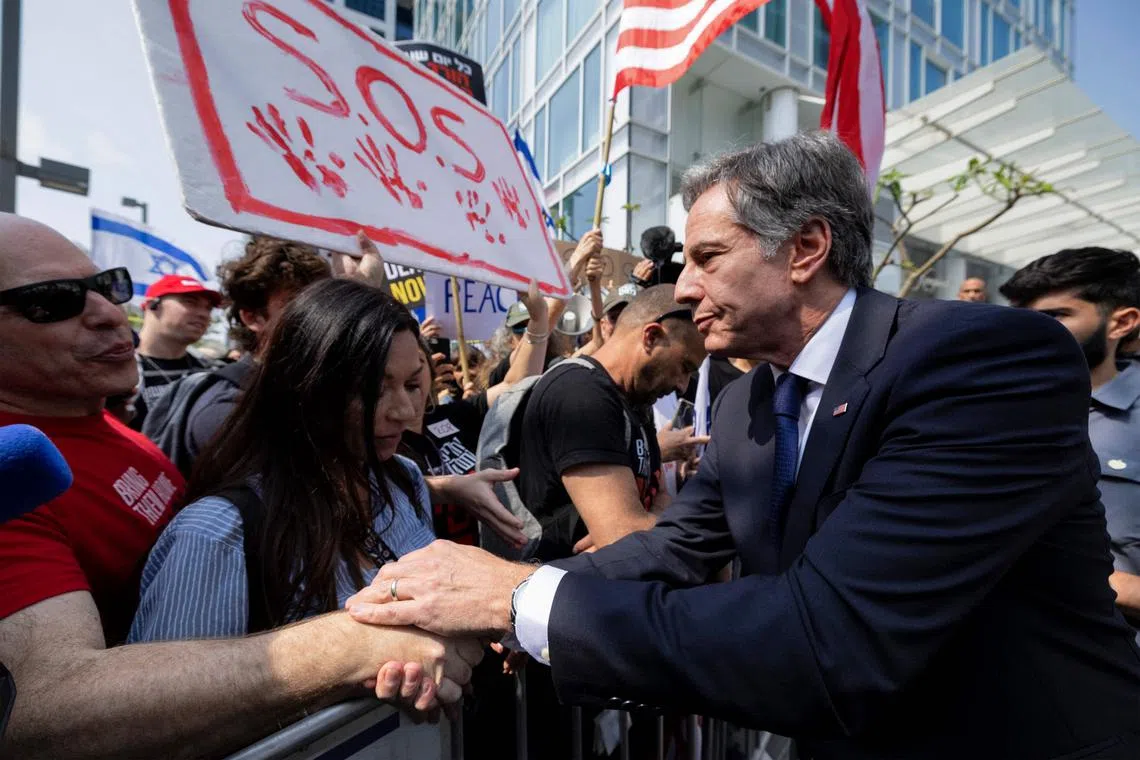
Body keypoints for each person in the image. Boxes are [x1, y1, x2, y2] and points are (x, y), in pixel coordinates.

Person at [347, 132, 1140, 760]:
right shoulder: (748, 404)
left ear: (805, 250)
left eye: (707, 258)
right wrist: (513, 598)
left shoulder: (981, 361)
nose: (683, 288)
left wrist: (514, 600)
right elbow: (672, 552)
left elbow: (835, 634)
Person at [0, 214, 474, 760]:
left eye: (108, 287)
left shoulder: (399, 479)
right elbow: (43, 713)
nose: (110, 315)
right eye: (54, 299)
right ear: (307, 389)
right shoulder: (208, 529)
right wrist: (352, 645)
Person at [1000, 248, 1140, 639]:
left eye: (1056, 317)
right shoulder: (991, 406)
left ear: (1121, 323)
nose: (1029, 333)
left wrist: (1088, 580)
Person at [517, 283, 706, 561]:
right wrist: (633, 528)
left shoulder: (635, 400)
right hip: (565, 593)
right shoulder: (580, 394)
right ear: (651, 336)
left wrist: (643, 524)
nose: (682, 384)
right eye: (684, 367)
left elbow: (659, 495)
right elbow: (624, 541)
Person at [180, 236, 333, 466]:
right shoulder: (227, 409)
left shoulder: (312, 382)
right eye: (294, 302)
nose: (316, 312)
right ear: (252, 317)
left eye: (320, 300)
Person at [131, 274, 221, 429]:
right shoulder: (114, 371)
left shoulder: (212, 374)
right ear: (153, 305)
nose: (203, 314)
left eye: (208, 308)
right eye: (190, 302)